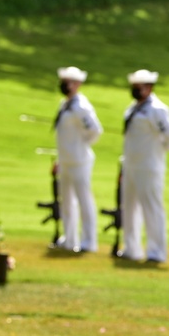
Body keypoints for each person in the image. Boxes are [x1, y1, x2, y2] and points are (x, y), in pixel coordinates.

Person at [121, 69, 169, 263]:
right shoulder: (132, 108)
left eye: (140, 87)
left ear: (149, 87)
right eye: (134, 86)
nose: (136, 90)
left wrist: (156, 151)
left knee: (152, 208)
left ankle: (156, 251)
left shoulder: (157, 109)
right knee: (129, 208)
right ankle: (132, 248)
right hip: (131, 164)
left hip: (149, 166)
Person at [52, 66, 103, 252]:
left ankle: (89, 241)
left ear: (78, 84)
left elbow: (95, 130)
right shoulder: (65, 104)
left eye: (71, 82)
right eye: (65, 82)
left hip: (79, 160)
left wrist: (81, 146)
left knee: (84, 200)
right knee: (66, 201)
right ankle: (69, 238)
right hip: (65, 160)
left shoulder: (81, 106)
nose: (67, 86)